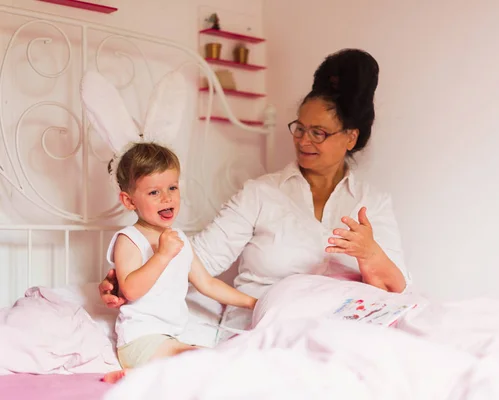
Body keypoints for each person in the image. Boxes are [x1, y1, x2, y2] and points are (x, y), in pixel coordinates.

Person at [99, 48, 411, 339]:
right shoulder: (260, 194)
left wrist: (370, 254)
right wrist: (129, 277)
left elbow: (398, 291)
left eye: (318, 133)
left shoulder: (371, 203)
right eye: (299, 128)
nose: (303, 140)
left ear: (350, 138)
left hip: (336, 333)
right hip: (263, 330)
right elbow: (199, 260)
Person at [101, 143, 256, 382]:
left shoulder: (179, 239)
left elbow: (207, 284)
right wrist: (162, 255)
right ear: (129, 201)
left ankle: (146, 377)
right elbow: (130, 289)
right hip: (139, 339)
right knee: (201, 361)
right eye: (154, 192)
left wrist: (252, 302)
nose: (167, 198)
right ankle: (138, 377)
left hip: (167, 339)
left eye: (172, 187)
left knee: (210, 361)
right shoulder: (129, 239)